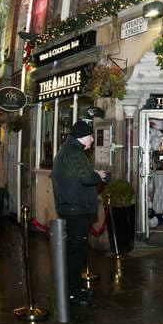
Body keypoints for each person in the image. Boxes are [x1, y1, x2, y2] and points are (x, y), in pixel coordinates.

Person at [52, 119, 106, 307]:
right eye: (91, 136)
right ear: (83, 137)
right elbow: (85, 177)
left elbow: (78, 175)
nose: (92, 139)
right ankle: (72, 293)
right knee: (76, 253)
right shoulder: (74, 152)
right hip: (75, 208)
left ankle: (75, 287)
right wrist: (97, 176)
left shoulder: (70, 150)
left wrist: (93, 175)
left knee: (76, 251)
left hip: (72, 207)